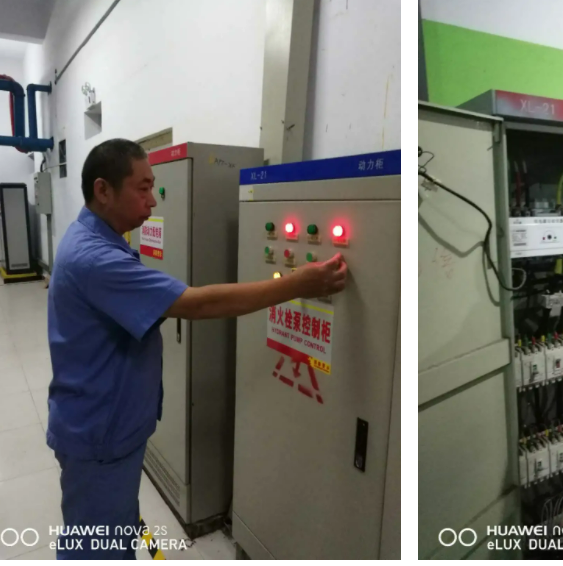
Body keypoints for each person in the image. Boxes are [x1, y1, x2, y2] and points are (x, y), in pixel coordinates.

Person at [47, 139, 348, 559]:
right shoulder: (94, 258)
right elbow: (197, 304)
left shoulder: (95, 239)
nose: (153, 200)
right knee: (96, 551)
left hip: (104, 425)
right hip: (99, 436)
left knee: (110, 536)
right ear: (103, 190)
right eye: (143, 188)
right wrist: (297, 284)